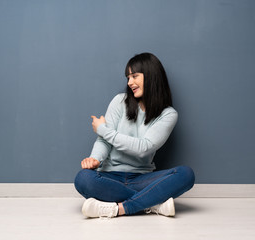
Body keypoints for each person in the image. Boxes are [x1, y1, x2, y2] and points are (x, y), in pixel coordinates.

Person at [74, 52, 195, 218]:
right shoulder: (119, 101)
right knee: (83, 179)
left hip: (143, 179)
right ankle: (152, 203)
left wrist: (103, 129)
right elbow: (104, 142)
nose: (130, 82)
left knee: (186, 174)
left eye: (134, 76)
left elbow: (143, 148)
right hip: (110, 177)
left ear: (151, 76)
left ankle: (120, 209)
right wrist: (95, 159)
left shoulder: (168, 114)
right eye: (128, 78)